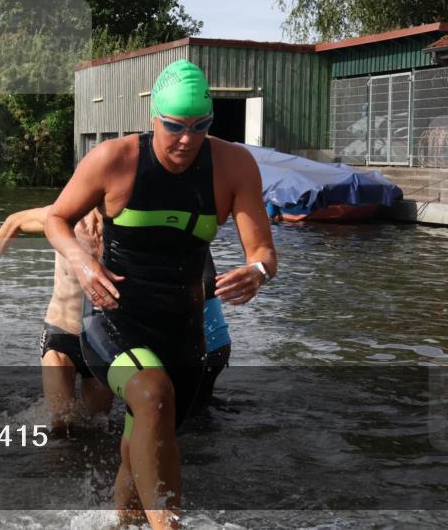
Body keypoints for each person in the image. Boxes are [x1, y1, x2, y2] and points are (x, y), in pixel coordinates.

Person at [45, 59, 276, 530]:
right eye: (174, 127)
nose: (186, 139)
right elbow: (55, 219)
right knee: (151, 394)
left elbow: (264, 253)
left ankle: (122, 522)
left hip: (184, 331)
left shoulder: (233, 165)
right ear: (154, 119)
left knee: (142, 443)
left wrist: (256, 273)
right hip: (114, 320)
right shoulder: (115, 159)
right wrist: (85, 264)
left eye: (200, 126)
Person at [0, 207, 113, 432]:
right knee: (62, 424)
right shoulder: (64, 217)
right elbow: (14, 221)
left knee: (96, 426)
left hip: (102, 338)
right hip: (62, 332)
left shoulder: (127, 230)